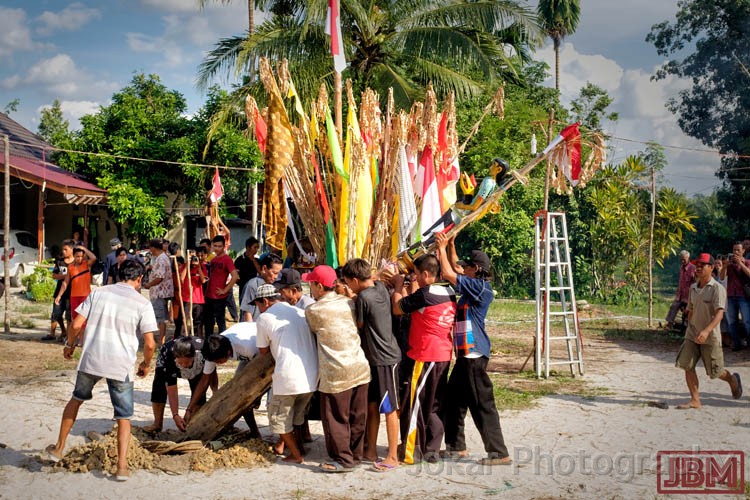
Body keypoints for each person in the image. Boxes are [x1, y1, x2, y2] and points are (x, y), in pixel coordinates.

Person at [43, 259, 157, 481]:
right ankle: (122, 467)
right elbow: (150, 343)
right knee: (124, 416)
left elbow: (76, 325)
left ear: (119, 273)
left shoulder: (99, 293)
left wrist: (69, 345)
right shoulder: (142, 303)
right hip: (120, 363)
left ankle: (58, 447)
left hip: (92, 357)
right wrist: (145, 364)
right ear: (140, 279)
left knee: (76, 399)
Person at [435, 233, 512, 465]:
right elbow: (456, 268)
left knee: (482, 404)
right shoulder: (472, 284)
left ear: (476, 269)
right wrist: (450, 245)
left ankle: (499, 453)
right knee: (454, 401)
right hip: (465, 356)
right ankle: (456, 446)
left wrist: (440, 249)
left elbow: (449, 273)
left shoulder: (481, 288)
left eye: (467, 267)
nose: (463, 269)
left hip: (474, 355)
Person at [303, 265, 370, 473]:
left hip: (335, 371)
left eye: (311, 284)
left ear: (318, 286)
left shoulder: (313, 310)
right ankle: (355, 455)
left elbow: (314, 330)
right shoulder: (349, 303)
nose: (310, 289)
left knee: (336, 418)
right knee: (357, 415)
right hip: (359, 366)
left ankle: (343, 460)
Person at [390, 254, 456, 464]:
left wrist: (399, 287)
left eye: (417, 275)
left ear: (426, 274)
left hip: (425, 355)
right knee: (434, 404)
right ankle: (432, 450)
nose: (415, 278)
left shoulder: (425, 295)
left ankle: (412, 452)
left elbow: (397, 308)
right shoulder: (449, 291)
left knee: (415, 404)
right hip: (444, 354)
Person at [341, 258, 402, 472]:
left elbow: (359, 324)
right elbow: (373, 284)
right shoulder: (380, 288)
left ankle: (392, 456)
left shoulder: (363, 298)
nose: (347, 286)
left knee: (390, 408)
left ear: (355, 280)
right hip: (378, 359)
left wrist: (350, 298)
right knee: (373, 404)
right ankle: (371, 450)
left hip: (384, 359)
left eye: (348, 282)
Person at [255, 284, 318, 464]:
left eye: (258, 304)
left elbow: (263, 350)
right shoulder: (298, 312)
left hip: (288, 376)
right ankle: (299, 448)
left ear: (265, 301)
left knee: (279, 419)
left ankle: (296, 455)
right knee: (297, 416)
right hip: (311, 375)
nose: (258, 308)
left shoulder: (265, 317)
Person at [675, 253, 742, 409]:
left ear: (711, 268)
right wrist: (688, 321)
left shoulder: (717, 289)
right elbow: (690, 310)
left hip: (710, 336)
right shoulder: (693, 288)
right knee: (687, 365)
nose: (698, 268)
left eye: (702, 265)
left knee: (715, 372)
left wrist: (706, 331)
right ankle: (695, 400)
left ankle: (732, 379)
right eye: (697, 265)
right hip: (692, 334)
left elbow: (719, 314)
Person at [184, 323, 260, 436]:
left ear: (228, 353)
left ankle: (258, 433)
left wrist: (257, 396)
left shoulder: (248, 347)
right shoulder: (213, 350)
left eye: (218, 361)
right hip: (249, 356)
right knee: (240, 395)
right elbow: (204, 381)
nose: (216, 364)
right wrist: (189, 409)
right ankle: (255, 433)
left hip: (264, 350)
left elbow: (259, 372)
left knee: (246, 396)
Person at [145, 336, 212, 432]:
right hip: (167, 358)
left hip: (196, 367)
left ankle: (191, 424)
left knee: (199, 392)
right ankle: (157, 424)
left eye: (187, 362)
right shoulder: (169, 356)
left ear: (193, 356)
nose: (184, 366)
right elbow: (172, 389)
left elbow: (207, 380)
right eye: (181, 362)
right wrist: (175, 415)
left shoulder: (204, 353)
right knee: (159, 386)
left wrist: (189, 410)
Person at [54, 245, 97, 340]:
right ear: (74, 256)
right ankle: (74, 339)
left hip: (85, 296)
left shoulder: (86, 264)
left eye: (82, 256)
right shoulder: (70, 267)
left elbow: (94, 258)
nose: (80, 258)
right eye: (77, 256)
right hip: (74, 297)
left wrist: (84, 248)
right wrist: (59, 296)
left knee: (84, 320)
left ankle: (82, 340)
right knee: (74, 319)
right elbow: (65, 282)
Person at [203, 235, 238, 336]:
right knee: (208, 322)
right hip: (208, 295)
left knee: (220, 322)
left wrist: (225, 290)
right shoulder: (213, 259)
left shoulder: (227, 259)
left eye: (219, 246)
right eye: (215, 246)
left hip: (219, 297)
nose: (217, 248)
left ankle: (223, 343)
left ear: (224, 246)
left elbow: (235, 276)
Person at [719, 242, 750, 351]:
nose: (736, 252)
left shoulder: (747, 262)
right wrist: (724, 266)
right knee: (732, 322)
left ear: (743, 251)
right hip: (731, 295)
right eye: (734, 250)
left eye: (738, 250)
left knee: (747, 321)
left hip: (743, 296)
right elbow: (722, 277)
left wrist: (740, 264)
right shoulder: (730, 265)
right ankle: (737, 344)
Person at [143, 238, 174, 346]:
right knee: (161, 317)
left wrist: (149, 284)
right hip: (160, 292)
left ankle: (161, 339)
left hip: (159, 293)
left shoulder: (161, 259)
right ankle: (161, 338)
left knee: (160, 318)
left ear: (153, 248)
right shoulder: (162, 257)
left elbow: (159, 277)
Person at [42, 239, 75, 342]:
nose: (64, 252)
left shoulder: (76, 262)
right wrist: (66, 276)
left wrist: (67, 277)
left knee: (69, 316)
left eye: (66, 249)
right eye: (63, 249)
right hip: (59, 292)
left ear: (72, 249)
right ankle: (54, 333)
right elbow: (54, 275)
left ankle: (68, 335)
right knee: (56, 313)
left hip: (71, 293)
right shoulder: (59, 261)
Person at [239, 253, 283, 321]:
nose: (276, 277)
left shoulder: (277, 284)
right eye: (274, 273)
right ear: (264, 268)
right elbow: (247, 312)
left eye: (278, 273)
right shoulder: (253, 285)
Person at [174, 250, 207, 338]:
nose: (193, 259)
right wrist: (187, 265)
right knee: (183, 321)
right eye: (191, 257)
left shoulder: (202, 267)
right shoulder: (184, 266)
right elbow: (181, 279)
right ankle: (180, 339)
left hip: (198, 299)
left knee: (198, 323)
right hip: (186, 298)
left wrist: (198, 267)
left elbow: (203, 280)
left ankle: (197, 340)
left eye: (194, 257)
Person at [663, 250, 695, 330]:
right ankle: (669, 324)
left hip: (688, 295)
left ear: (688, 258)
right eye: (681, 259)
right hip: (680, 295)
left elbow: (695, 282)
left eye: (684, 259)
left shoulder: (692, 268)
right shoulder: (681, 267)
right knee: (674, 307)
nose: (683, 261)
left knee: (686, 311)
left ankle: (686, 327)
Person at [235, 237, 261, 305]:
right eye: (255, 247)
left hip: (255, 289)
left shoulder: (257, 260)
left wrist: (253, 260)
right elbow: (235, 275)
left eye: (257, 248)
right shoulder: (239, 260)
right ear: (248, 247)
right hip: (243, 289)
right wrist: (241, 283)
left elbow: (260, 272)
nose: (256, 250)